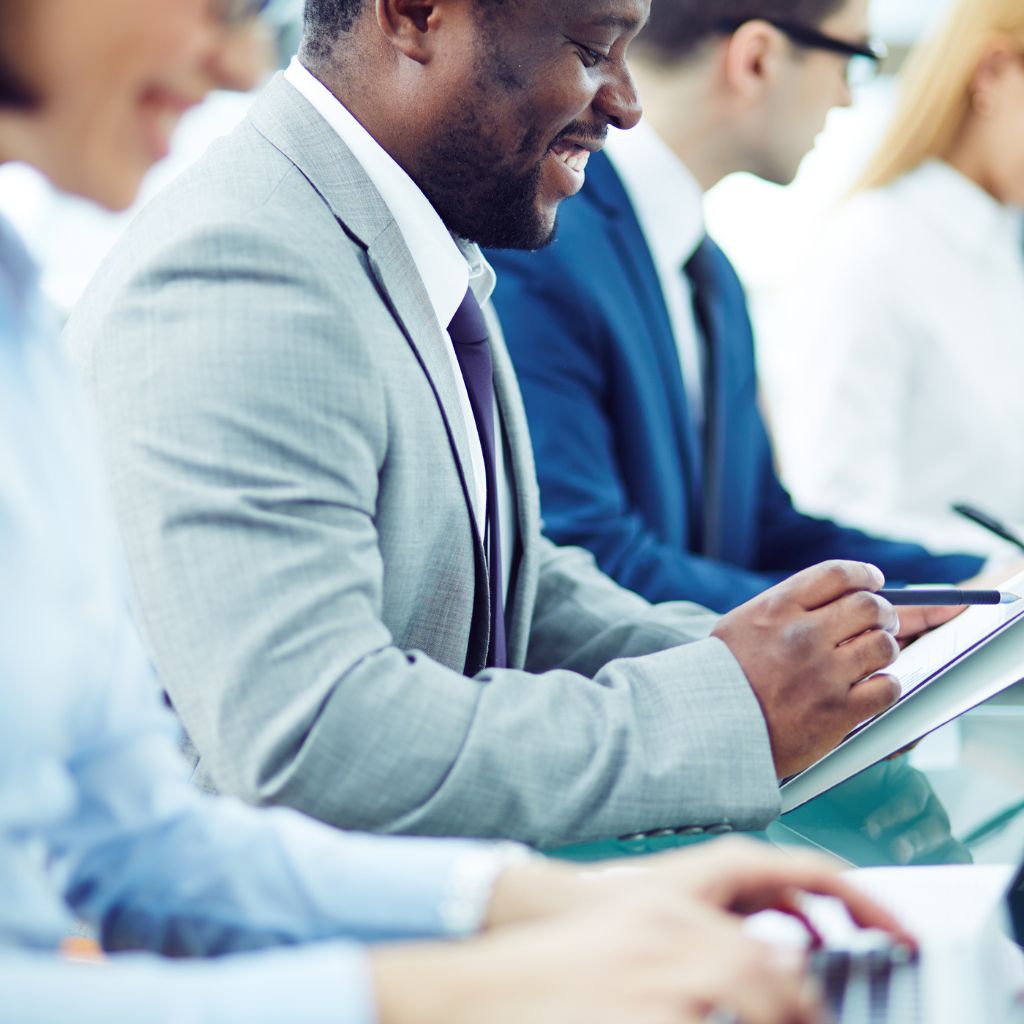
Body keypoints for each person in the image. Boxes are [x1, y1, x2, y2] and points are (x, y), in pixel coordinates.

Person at [0, 0, 912, 1021]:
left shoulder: (398, 248)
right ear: (416, 15)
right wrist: (724, 711)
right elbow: (313, 743)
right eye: (588, 49)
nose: (623, 101)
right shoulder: (237, 260)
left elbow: (494, 566)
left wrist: (762, 676)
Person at [486, 0, 987, 617]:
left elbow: (762, 529)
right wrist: (888, 615)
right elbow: (587, 561)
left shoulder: (712, 274)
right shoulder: (545, 246)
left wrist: (982, 580)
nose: (850, 101)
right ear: (758, 58)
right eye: (852, 60)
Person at [758, 0, 1024, 560]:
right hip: (936, 632)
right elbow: (836, 512)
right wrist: (998, 565)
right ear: (995, 73)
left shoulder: (1002, 254)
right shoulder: (873, 249)